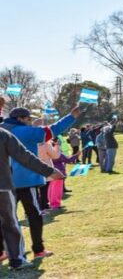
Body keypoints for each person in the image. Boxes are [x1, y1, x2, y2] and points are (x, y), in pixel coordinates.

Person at [0, 105, 80, 259]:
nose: (30, 122)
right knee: (34, 215)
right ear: (20, 119)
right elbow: (51, 131)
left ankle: (2, 251)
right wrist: (71, 117)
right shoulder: (25, 131)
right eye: (28, 119)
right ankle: (38, 249)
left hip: (3, 183)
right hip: (24, 180)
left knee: (5, 217)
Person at [0, 127, 64, 270]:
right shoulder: (3, 134)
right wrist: (49, 171)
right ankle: (17, 260)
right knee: (10, 224)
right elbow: (24, 157)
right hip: (3, 186)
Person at [48, 137, 80, 209]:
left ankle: (52, 203)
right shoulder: (57, 153)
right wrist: (76, 155)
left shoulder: (49, 151)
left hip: (51, 173)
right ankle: (55, 204)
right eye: (59, 143)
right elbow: (68, 160)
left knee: (52, 188)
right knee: (57, 190)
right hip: (59, 173)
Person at [38, 138, 61, 211]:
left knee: (37, 190)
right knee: (45, 189)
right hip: (46, 168)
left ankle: (40, 205)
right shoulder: (45, 144)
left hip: (34, 168)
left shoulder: (29, 142)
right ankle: (43, 206)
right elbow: (55, 156)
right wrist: (57, 146)